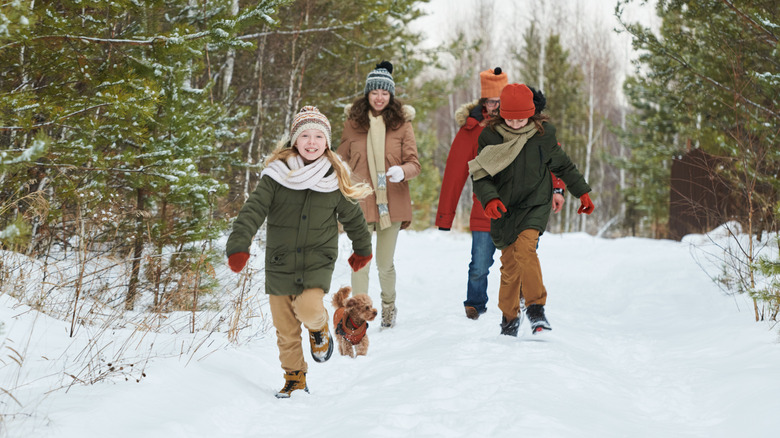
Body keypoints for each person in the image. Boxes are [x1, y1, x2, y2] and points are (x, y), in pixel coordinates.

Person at [226, 106, 374, 398]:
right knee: (285, 327)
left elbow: (354, 217)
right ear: (294, 140)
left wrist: (362, 248)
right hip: (280, 262)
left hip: (317, 260)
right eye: (305, 134)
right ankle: (295, 378)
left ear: (327, 142)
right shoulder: (276, 176)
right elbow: (252, 210)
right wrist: (238, 244)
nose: (311, 141)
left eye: (318, 135)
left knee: (308, 307)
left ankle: (319, 330)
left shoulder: (333, 179)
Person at [436, 68, 567, 321]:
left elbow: (551, 158)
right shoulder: (472, 130)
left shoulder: (527, 124)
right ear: (483, 102)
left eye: (499, 101)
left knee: (521, 258)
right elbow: (454, 173)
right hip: (486, 208)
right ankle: (475, 303)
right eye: (490, 101)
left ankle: (517, 300)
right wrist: (445, 216)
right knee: (479, 265)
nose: (495, 106)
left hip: (522, 208)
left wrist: (558, 187)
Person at [469, 83, 595, 336]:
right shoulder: (490, 136)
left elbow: (563, 166)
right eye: (510, 119)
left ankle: (536, 308)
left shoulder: (542, 135)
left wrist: (581, 191)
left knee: (526, 250)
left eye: (522, 118)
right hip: (504, 208)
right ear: (501, 114)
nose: (516, 124)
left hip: (535, 203)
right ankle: (509, 318)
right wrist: (490, 199)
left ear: (533, 113)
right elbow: (481, 175)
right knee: (509, 267)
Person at [337, 61, 421, 329]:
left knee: (384, 264)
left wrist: (402, 171)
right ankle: (358, 313)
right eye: (375, 92)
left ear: (391, 96)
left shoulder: (402, 126)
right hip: (360, 203)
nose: (380, 97)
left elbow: (414, 163)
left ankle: (387, 307)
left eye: (385, 93)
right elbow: (341, 160)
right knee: (360, 262)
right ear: (367, 94)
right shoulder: (353, 124)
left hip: (391, 204)